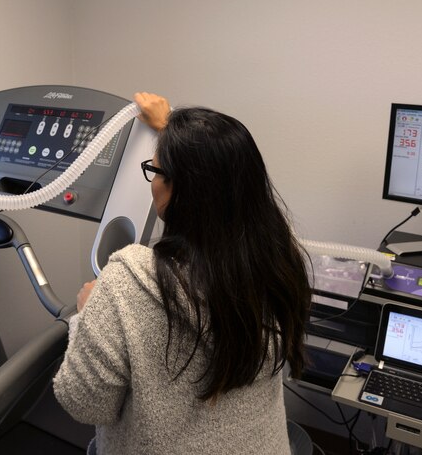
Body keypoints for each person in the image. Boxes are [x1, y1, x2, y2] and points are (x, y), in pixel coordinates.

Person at [54, 96, 312, 454]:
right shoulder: (278, 262)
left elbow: (84, 403)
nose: (153, 181)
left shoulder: (127, 282)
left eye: (155, 171)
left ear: (178, 188)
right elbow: (217, 170)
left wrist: (85, 316)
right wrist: (171, 125)